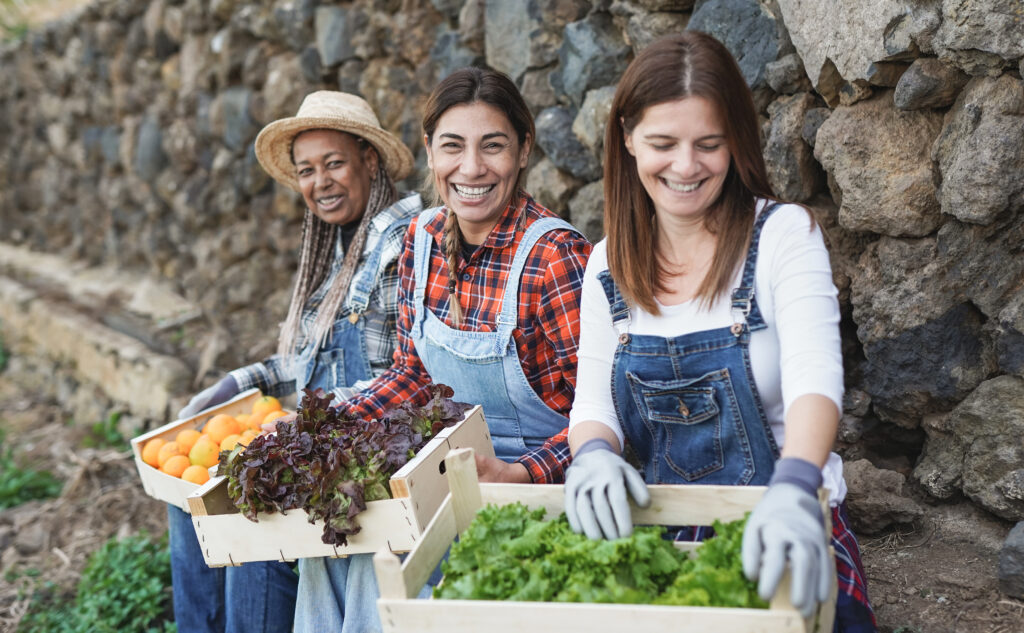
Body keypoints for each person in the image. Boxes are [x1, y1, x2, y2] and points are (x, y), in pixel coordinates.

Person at [562, 32, 876, 632]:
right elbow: (593, 402)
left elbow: (817, 379)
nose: (686, 166)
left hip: (785, 513)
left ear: (736, 140)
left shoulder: (784, 235)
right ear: (626, 137)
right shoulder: (608, 263)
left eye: (709, 143)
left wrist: (795, 486)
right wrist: (595, 455)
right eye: (662, 143)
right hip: (668, 527)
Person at [293, 66, 592, 633]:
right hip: (442, 474)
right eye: (452, 146)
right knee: (331, 542)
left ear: (524, 150)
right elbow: (413, 379)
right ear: (429, 151)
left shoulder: (555, 258)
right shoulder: (423, 240)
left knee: (383, 570)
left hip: (534, 492)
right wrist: (313, 427)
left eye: (493, 146)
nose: (471, 168)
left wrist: (520, 475)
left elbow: (603, 417)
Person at [169, 90, 421, 633]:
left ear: (368, 160)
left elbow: (407, 377)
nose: (320, 182)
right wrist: (233, 384)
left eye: (334, 163)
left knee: (245, 525)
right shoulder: (334, 250)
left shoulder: (400, 243)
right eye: (307, 170)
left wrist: (301, 427)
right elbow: (303, 360)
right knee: (189, 500)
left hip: (365, 446)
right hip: (315, 435)